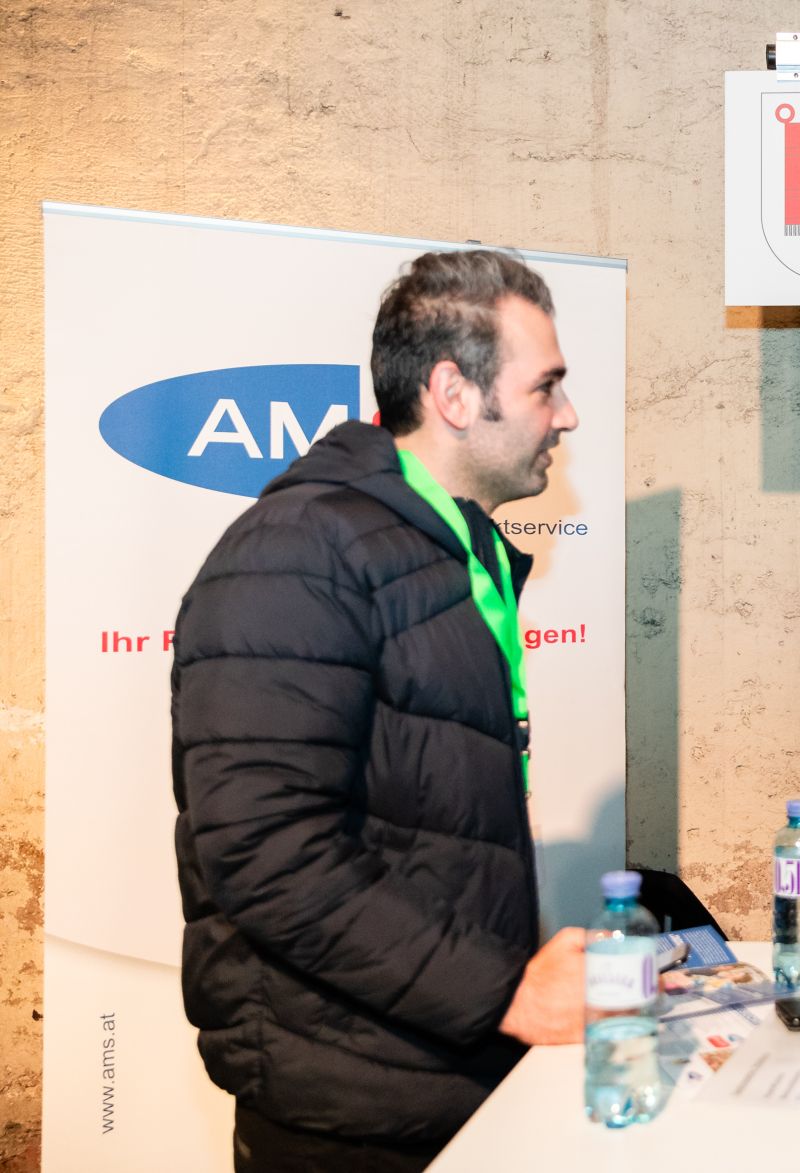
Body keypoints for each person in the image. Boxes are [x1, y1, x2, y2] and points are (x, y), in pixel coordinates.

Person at [172, 249, 587, 1171]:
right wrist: (505, 990)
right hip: (345, 1111)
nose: (566, 414)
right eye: (546, 386)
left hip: (436, 1073)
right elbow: (266, 852)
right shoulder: (297, 552)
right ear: (453, 393)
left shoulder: (452, 549)